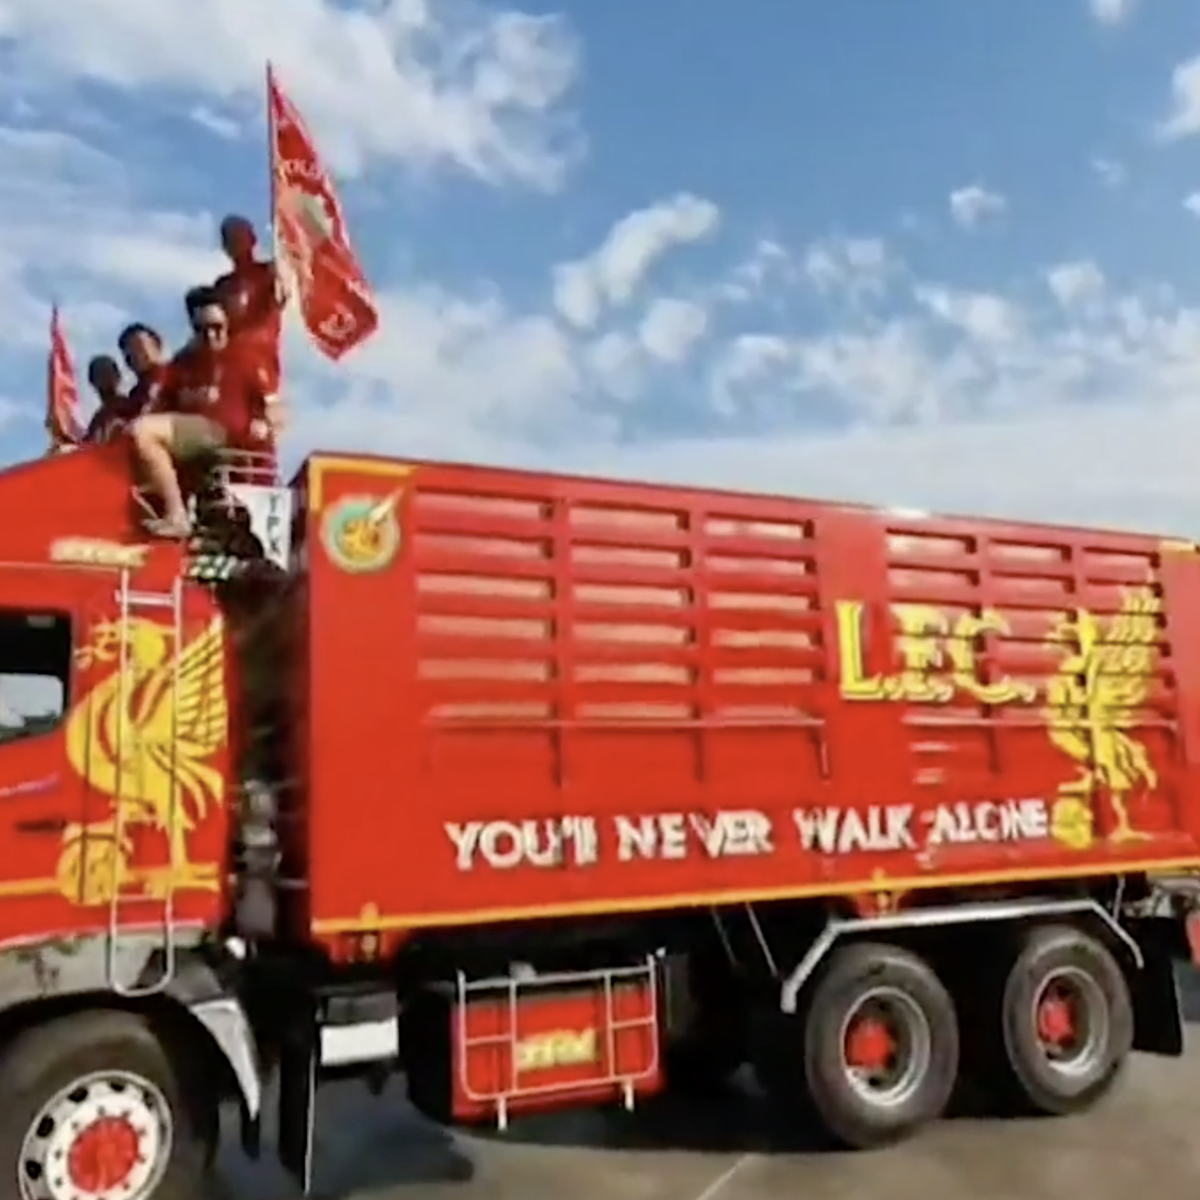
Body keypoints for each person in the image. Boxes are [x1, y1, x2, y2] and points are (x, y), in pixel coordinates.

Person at [130, 287, 284, 539]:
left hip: (224, 436)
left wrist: (267, 428)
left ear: (228, 323)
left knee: (144, 432)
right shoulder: (182, 364)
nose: (211, 335)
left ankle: (176, 516)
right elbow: (157, 405)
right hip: (195, 449)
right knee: (137, 434)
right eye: (202, 330)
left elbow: (276, 408)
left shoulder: (246, 357)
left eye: (217, 327)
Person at [214, 215, 285, 390]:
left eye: (239, 237)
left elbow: (282, 297)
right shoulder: (222, 285)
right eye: (229, 239)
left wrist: (281, 276)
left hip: (261, 359)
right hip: (229, 361)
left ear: (252, 239)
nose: (235, 243)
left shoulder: (268, 272)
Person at [117, 323, 169, 415]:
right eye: (129, 352)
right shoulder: (135, 395)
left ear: (157, 346)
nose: (135, 355)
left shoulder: (178, 375)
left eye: (139, 347)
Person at [81, 355, 133, 444]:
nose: (105, 378)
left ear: (118, 376)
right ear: (92, 381)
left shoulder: (131, 406)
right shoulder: (97, 420)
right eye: (99, 374)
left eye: (108, 373)